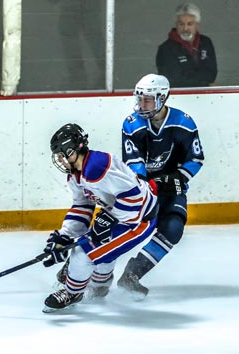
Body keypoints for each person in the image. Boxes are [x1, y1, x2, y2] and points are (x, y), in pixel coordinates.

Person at [41, 123, 159, 313]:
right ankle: (99, 285)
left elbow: (134, 196)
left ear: (73, 150)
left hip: (139, 220)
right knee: (99, 246)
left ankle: (73, 292)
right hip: (122, 215)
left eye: (62, 155)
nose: (61, 160)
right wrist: (65, 236)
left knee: (82, 252)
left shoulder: (96, 168)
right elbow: (82, 206)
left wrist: (109, 219)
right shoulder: (76, 175)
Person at [117, 73, 204, 298]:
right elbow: (133, 161)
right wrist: (147, 185)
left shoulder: (184, 122)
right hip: (140, 186)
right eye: (139, 99)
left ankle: (132, 274)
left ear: (162, 98)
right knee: (120, 226)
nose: (141, 104)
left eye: (147, 99)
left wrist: (178, 178)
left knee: (173, 228)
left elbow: (195, 159)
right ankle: (83, 267)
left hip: (172, 183)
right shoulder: (132, 124)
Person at [156, 2, 217, 87]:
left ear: (197, 25)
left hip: (205, 97)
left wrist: (188, 75)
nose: (185, 28)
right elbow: (174, 81)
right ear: (176, 25)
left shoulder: (206, 42)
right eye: (181, 24)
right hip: (178, 97)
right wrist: (205, 84)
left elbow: (211, 74)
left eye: (190, 24)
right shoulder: (165, 49)